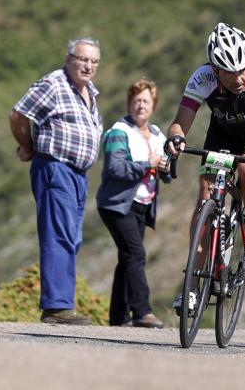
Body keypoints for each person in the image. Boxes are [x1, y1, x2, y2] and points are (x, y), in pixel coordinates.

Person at [166, 22, 245, 313]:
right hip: (222, 132)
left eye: (242, 69)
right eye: (229, 71)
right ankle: (192, 287)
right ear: (214, 70)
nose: (238, 77)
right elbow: (180, 122)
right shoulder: (201, 79)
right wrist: (176, 138)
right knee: (203, 203)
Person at [9, 37, 103, 325]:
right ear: (68, 60)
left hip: (78, 174)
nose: (88, 65)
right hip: (55, 167)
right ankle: (57, 307)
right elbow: (18, 113)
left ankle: (62, 303)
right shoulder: (54, 84)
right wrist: (27, 145)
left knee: (72, 238)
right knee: (58, 234)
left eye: (94, 61)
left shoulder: (89, 92)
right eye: (82, 59)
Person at [96, 79, 170, 329]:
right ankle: (142, 311)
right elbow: (116, 168)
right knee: (136, 254)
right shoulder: (119, 131)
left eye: (145, 101)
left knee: (127, 257)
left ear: (153, 106)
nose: (140, 105)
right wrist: (147, 164)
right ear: (128, 104)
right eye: (136, 100)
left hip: (141, 205)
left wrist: (166, 166)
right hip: (117, 205)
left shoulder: (158, 134)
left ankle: (118, 317)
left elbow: (168, 174)